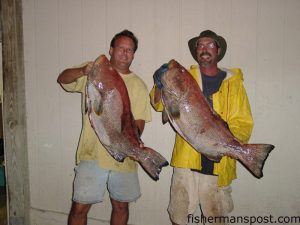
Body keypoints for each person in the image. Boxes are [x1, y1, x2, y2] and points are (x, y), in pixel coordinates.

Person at [150, 30, 254, 225]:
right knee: (179, 215)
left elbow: (243, 122)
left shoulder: (234, 83)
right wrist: (159, 85)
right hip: (187, 159)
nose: (204, 49)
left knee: (216, 217)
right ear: (196, 51)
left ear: (219, 50)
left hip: (219, 160)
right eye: (200, 45)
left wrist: (231, 146)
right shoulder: (184, 77)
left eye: (210, 45)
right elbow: (159, 105)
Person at [57, 30, 151, 225]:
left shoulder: (139, 85)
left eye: (130, 50)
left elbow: (140, 124)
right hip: (92, 154)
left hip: (123, 158)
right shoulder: (94, 72)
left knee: (121, 206)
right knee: (79, 207)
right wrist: (82, 70)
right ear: (111, 50)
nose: (125, 53)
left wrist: (128, 145)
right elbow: (62, 78)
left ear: (134, 55)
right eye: (121, 48)